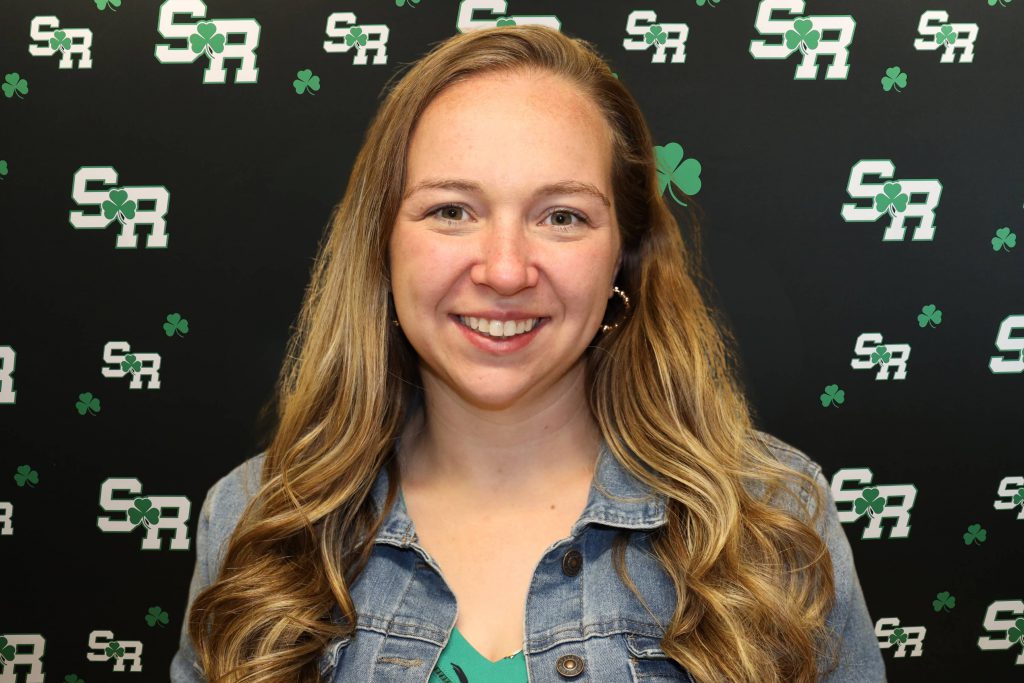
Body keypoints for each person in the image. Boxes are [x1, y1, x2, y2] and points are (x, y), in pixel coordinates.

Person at [171, 24, 886, 683]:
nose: (506, 269)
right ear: (382, 245)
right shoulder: (255, 519)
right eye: (452, 210)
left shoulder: (771, 520)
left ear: (624, 258)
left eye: (562, 216)